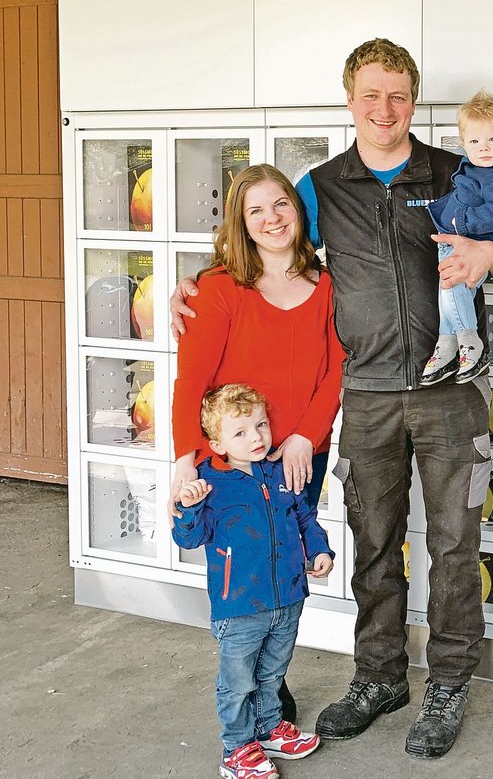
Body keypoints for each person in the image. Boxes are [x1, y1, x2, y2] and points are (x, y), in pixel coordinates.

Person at [171, 38, 493, 760]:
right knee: (374, 543)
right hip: (364, 395)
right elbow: (267, 239)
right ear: (349, 101)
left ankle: (450, 681)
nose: (384, 109)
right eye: (371, 95)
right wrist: (196, 285)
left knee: (457, 545)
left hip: (451, 391)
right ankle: (379, 676)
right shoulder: (324, 185)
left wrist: (490, 254)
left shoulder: (454, 169)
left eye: (398, 95)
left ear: (413, 102)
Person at [170, 162, 346, 724]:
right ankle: (245, 711)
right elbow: (191, 382)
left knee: (287, 561)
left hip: (297, 457)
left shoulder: (328, 289)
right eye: (256, 211)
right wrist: (185, 461)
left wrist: (303, 438)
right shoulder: (219, 290)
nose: (272, 219)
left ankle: (272, 689)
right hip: (231, 465)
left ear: (300, 212)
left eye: (282, 205)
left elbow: (335, 370)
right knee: (242, 579)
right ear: (241, 224)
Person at [173, 383, 335, 779]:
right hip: (240, 605)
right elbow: (189, 538)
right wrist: (189, 507)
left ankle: (267, 728)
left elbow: (303, 518)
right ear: (216, 442)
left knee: (273, 672)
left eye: (261, 425)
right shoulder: (209, 483)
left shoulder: (279, 471)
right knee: (238, 681)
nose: (257, 437)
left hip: (288, 597)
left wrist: (319, 550)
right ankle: (237, 747)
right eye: (241, 433)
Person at [420, 89, 493, 385]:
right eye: (474, 141)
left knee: (452, 288)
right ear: (463, 144)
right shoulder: (474, 170)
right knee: (447, 290)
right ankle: (447, 343)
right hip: (456, 239)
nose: (483, 148)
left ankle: (469, 341)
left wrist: (462, 223)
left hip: (465, 240)